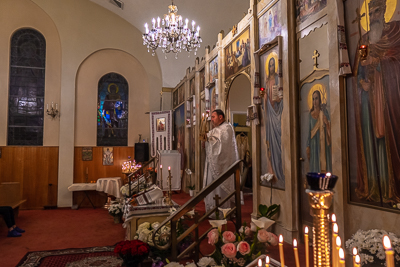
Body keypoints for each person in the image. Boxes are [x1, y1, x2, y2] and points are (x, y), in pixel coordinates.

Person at [354, 0, 400, 204]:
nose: (373, 17)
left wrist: (380, 62)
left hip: (388, 96)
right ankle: (374, 186)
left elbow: (397, 61)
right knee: (372, 139)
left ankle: (391, 188)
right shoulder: (364, 40)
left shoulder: (394, 32)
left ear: (384, 12)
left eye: (377, 12)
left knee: (388, 137)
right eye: (370, 13)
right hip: (369, 99)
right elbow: (359, 69)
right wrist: (362, 80)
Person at [203, 109, 239, 214]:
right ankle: (212, 210)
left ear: (220, 117)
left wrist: (209, 137)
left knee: (221, 189)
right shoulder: (218, 129)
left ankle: (223, 212)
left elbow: (221, 145)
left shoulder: (227, 128)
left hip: (223, 165)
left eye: (213, 117)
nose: (211, 120)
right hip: (213, 164)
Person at [263, 57, 284, 182]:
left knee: (278, 141)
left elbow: (281, 96)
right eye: (269, 65)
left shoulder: (277, 78)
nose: (271, 67)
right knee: (270, 142)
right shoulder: (266, 81)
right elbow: (263, 97)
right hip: (269, 113)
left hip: (276, 112)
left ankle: (279, 171)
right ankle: (271, 170)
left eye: (272, 65)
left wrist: (278, 100)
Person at [306, 90, 331, 173]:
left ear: (319, 100)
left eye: (316, 98)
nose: (314, 101)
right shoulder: (310, 114)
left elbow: (329, 129)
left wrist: (326, 122)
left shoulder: (324, 112)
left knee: (323, 164)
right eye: (313, 99)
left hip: (322, 143)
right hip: (314, 145)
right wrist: (308, 145)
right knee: (315, 165)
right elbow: (309, 132)